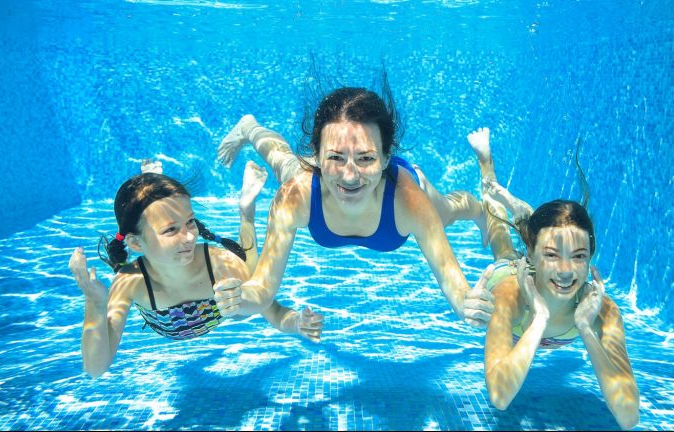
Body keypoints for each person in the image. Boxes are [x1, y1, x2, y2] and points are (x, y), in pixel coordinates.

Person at [216, 84, 514, 328]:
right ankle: (249, 127)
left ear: (386, 158)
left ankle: (477, 209)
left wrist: (467, 304)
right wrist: (241, 296)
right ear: (317, 157)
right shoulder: (297, 196)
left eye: (366, 158)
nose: (349, 175)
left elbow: (457, 288)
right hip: (316, 183)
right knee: (284, 164)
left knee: (446, 212)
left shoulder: (408, 201)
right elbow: (263, 291)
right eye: (335, 157)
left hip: (402, 191)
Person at [68, 161, 323, 378]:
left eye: (190, 222)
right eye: (171, 230)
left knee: (249, 290)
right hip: (161, 301)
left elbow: (273, 310)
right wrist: (95, 303)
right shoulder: (130, 281)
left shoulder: (219, 263)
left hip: (221, 303)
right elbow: (95, 369)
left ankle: (246, 210)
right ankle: (152, 179)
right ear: (136, 243)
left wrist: (298, 322)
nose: (190, 237)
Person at [466, 129, 639, 429]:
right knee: (498, 233)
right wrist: (540, 317)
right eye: (551, 255)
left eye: (579, 256)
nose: (565, 270)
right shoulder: (511, 296)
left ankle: (521, 213)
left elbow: (628, 416)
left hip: (535, 261)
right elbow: (499, 396)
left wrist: (585, 327)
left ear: (591, 258)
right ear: (532, 256)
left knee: (528, 226)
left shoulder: (603, 310)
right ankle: (487, 166)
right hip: (515, 272)